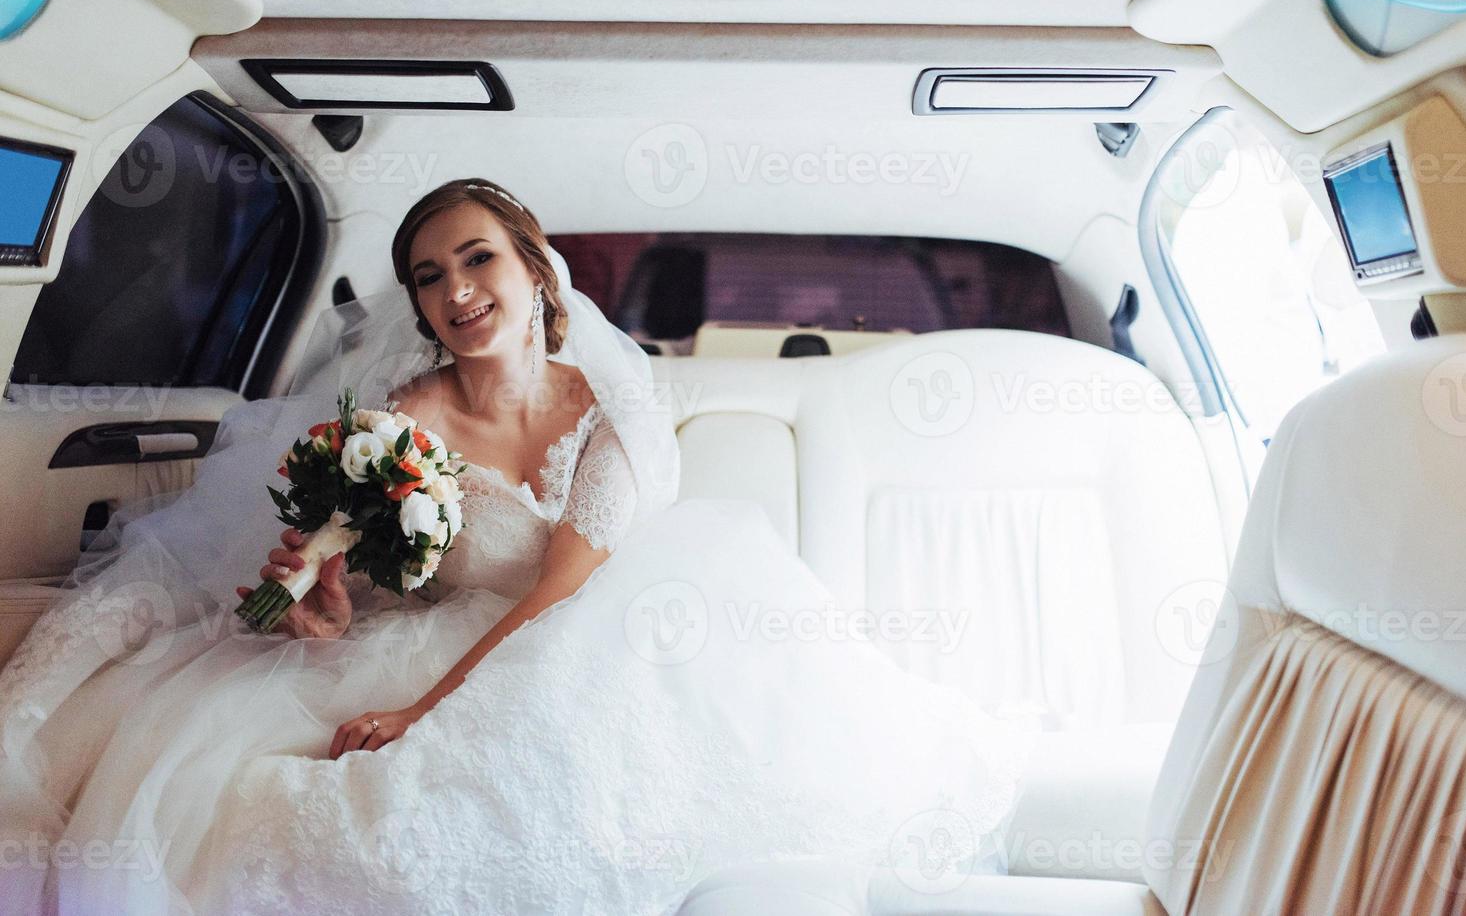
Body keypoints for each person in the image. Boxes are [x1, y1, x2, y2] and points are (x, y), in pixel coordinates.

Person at [0, 179, 1030, 915]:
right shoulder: (398, 425)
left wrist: (417, 710)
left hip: (584, 636)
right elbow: (361, 576)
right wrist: (323, 607)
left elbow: (556, 592)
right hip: (431, 630)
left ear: (535, 268)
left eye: (477, 256)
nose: (456, 289)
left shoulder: (610, 414)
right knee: (254, 799)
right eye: (429, 275)